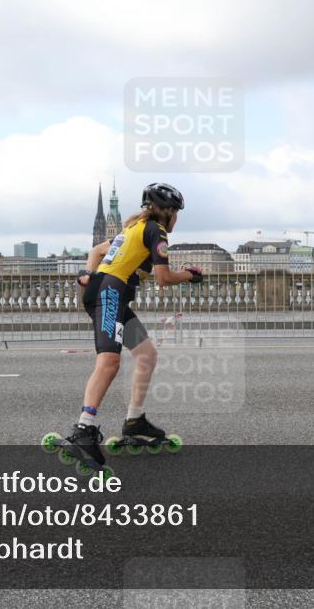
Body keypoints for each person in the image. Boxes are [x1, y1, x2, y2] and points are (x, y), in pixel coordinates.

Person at [61, 182, 202, 469]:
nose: (176, 218)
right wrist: (189, 275)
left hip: (110, 292)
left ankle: (134, 420)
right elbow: (164, 279)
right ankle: (83, 429)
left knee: (147, 355)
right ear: (166, 212)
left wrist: (89, 274)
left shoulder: (132, 230)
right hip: (110, 293)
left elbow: (96, 252)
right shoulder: (156, 231)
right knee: (109, 362)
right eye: (176, 212)